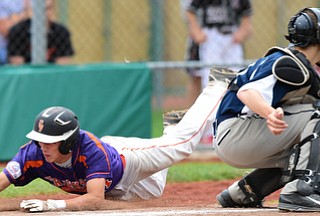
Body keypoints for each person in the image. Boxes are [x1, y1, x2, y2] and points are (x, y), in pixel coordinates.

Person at [0, 67, 232, 212]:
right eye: (40, 140)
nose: (43, 146)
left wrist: (52, 205)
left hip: (128, 159)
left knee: (181, 147)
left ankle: (218, 85)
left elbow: (94, 200)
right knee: (154, 192)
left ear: (68, 141)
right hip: (114, 182)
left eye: (50, 141)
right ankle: (170, 132)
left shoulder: (90, 150)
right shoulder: (32, 154)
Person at [214, 7, 320, 212]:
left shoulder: (300, 65)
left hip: (237, 137)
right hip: (236, 133)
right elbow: (247, 92)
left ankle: (245, 191)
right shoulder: (289, 63)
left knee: (306, 153)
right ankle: (301, 191)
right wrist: (269, 113)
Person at [184, 0, 253, 105]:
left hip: (232, 36)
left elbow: (246, 17)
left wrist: (243, 31)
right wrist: (196, 31)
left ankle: (233, 109)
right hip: (211, 35)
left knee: (236, 76)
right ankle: (208, 110)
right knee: (210, 77)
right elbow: (190, 11)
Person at [7, 0, 74, 65]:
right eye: (40, 9)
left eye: (48, 8)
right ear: (32, 10)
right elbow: (17, 64)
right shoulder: (18, 31)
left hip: (53, 74)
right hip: (27, 74)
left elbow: (63, 63)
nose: (44, 13)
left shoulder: (61, 32)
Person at [0, 0, 30, 65]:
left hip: (29, 44)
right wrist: (25, 14)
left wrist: (13, 19)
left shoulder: (36, 2)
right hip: (5, 46)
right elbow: (6, 30)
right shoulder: (3, 2)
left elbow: (49, 23)